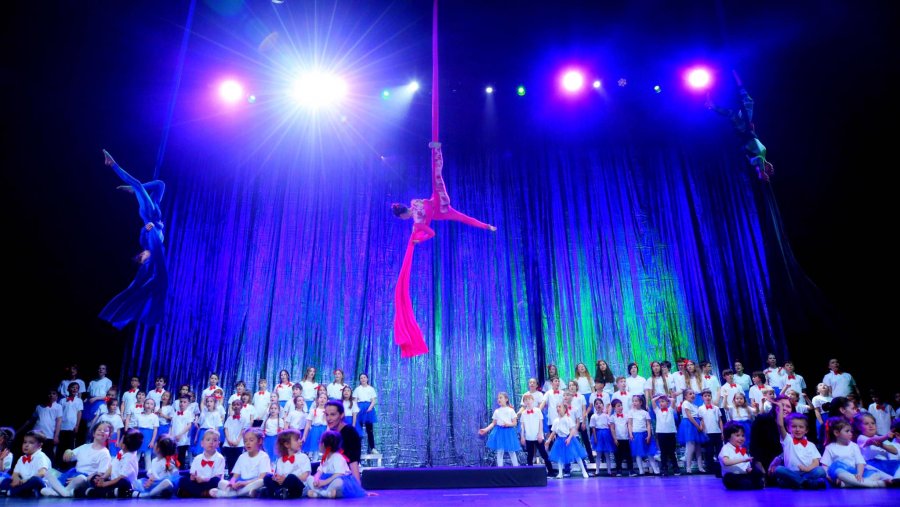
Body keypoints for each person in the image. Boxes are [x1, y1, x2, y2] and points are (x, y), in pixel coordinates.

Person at [392, 141, 497, 357]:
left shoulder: (416, 218)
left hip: (439, 205)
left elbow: (430, 231)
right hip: (441, 209)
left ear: (403, 214)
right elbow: (429, 229)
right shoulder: (415, 214)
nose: (405, 217)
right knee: (453, 203)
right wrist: (418, 239)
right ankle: (486, 225)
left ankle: (437, 150)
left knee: (438, 179)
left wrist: (419, 238)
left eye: (403, 216)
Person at [99, 149, 168, 329]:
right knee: (160, 184)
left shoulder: (149, 242)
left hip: (149, 214)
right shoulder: (156, 250)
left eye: (142, 257)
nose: (143, 256)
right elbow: (156, 237)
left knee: (137, 184)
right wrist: (155, 229)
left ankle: (112, 164)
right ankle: (133, 189)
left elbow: (146, 237)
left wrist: (148, 229)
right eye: (143, 257)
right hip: (156, 214)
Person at [705, 70, 774, 182]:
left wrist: (761, 172)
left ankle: (711, 106)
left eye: (768, 170)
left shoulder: (754, 162)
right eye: (771, 169)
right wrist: (754, 131)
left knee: (732, 113)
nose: (771, 168)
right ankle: (736, 78)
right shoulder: (764, 154)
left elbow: (758, 158)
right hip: (749, 130)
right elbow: (756, 142)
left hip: (743, 132)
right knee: (749, 102)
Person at [41, 422, 112, 497]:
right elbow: (70, 456)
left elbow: (100, 474)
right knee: (47, 475)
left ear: (109, 436)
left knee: (81, 478)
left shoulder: (105, 453)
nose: (102, 431)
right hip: (73, 474)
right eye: (99, 429)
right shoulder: (85, 446)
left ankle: (63, 492)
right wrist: (68, 451)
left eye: (105, 430)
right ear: (94, 433)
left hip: (85, 479)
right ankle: (65, 492)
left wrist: (78, 479)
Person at [822, 419, 893, 487]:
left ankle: (850, 484)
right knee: (838, 469)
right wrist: (829, 478)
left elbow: (860, 462)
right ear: (836, 433)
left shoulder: (854, 446)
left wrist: (859, 474)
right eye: (847, 431)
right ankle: (876, 484)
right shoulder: (830, 448)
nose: (850, 433)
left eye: (850, 431)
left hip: (855, 474)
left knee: (875, 474)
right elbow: (825, 466)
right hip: (842, 475)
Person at [773, 402, 827, 489]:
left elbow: (816, 462)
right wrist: (780, 408)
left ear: (806, 430)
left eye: (801, 427)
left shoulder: (811, 445)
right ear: (788, 428)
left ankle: (798, 483)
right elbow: (780, 425)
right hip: (792, 472)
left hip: (808, 472)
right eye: (794, 426)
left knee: (820, 471)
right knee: (778, 469)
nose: (797, 429)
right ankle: (806, 483)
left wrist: (807, 469)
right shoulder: (788, 440)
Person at [305, 431, 366, 498]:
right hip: (326, 482)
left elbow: (339, 474)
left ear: (323, 445)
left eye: (320, 442)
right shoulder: (325, 458)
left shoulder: (337, 457)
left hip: (335, 480)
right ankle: (325, 493)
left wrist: (324, 482)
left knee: (339, 482)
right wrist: (316, 480)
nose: (318, 444)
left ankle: (321, 493)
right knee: (309, 478)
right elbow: (319, 472)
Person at [210, 428, 268, 498]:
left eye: (251, 440)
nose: (248, 443)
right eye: (245, 441)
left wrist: (245, 483)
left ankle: (232, 494)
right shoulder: (242, 456)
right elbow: (235, 477)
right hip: (240, 485)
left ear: (260, 441)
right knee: (221, 482)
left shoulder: (263, 456)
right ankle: (244, 493)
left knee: (261, 481)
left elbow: (261, 477)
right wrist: (232, 484)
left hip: (253, 483)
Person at [85, 428, 142, 498]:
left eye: (121, 439)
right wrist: (103, 477)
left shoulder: (130, 458)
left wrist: (105, 484)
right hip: (112, 481)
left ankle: (103, 492)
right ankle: (110, 492)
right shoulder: (121, 452)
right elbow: (113, 465)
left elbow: (122, 477)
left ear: (123, 445)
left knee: (123, 482)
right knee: (95, 478)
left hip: (121, 483)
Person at [0, 431, 52, 497]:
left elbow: (42, 473)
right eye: (25, 442)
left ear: (39, 445)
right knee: (7, 480)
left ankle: (12, 491)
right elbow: (15, 473)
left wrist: (26, 480)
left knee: (35, 480)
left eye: (31, 443)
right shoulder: (21, 458)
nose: (26, 445)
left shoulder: (40, 456)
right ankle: (16, 491)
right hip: (24, 482)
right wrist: (16, 479)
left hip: (41, 485)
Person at [262, 429, 310, 499]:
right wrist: (276, 478)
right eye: (297, 440)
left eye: (300, 439)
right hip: (283, 485)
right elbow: (278, 475)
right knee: (267, 477)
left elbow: (305, 476)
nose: (300, 441)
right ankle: (279, 492)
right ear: (287, 444)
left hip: (298, 487)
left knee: (291, 477)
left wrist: (286, 479)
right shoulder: (280, 460)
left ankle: (276, 492)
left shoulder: (303, 457)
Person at [546, 403, 589, 479]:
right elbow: (553, 432)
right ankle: (560, 473)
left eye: (560, 407)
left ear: (565, 409)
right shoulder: (556, 420)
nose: (558, 408)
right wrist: (549, 440)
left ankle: (583, 471)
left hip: (569, 439)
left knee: (577, 455)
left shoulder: (568, 419)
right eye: (557, 407)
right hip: (559, 440)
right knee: (560, 456)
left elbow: (572, 430)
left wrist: (569, 438)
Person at [177, 429, 225, 498]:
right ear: (202, 443)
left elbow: (218, 477)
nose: (211, 442)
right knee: (183, 480)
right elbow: (192, 475)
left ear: (218, 444)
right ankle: (203, 493)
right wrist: (193, 477)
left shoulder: (220, 458)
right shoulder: (197, 458)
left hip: (210, 483)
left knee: (216, 481)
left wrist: (204, 479)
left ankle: (193, 493)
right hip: (198, 483)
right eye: (208, 440)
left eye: (214, 440)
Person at [718, 421, 765, 490]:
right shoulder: (726, 448)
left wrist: (749, 469)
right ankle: (751, 484)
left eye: (742, 435)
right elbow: (726, 462)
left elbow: (746, 465)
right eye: (737, 435)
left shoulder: (741, 449)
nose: (741, 438)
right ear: (728, 437)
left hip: (743, 475)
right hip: (732, 475)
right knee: (730, 478)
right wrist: (742, 460)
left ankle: (754, 483)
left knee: (757, 473)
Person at [323, 400, 362, 483]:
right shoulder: (330, 433)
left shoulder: (349, 432)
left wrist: (358, 487)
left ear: (341, 415)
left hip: (344, 476)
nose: (328, 418)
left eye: (332, 415)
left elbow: (353, 461)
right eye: (327, 415)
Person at [478, 392, 520, 467]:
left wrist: (508, 424)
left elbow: (515, 423)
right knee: (500, 451)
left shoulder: (511, 410)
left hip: (509, 432)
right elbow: (493, 423)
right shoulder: (497, 411)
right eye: (498, 398)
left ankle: (516, 468)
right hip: (499, 432)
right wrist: (485, 429)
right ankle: (500, 469)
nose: (499, 399)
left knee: (511, 451)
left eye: (501, 397)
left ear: (506, 399)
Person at [520, 393, 553, 475]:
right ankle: (530, 473)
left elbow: (540, 423)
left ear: (533, 400)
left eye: (529, 399)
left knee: (544, 454)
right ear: (524, 402)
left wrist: (540, 434)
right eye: (525, 400)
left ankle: (551, 471)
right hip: (528, 437)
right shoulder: (524, 413)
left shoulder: (537, 411)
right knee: (530, 455)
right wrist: (522, 437)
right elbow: (522, 426)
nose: (528, 401)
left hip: (538, 436)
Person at [353, 373, 379, 454]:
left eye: (364, 377)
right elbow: (354, 401)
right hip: (360, 409)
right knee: (359, 429)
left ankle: (372, 448)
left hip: (368, 409)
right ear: (359, 380)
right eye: (361, 378)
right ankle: (357, 448)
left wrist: (370, 408)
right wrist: (357, 409)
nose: (363, 379)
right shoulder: (357, 389)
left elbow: (373, 400)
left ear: (367, 379)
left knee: (370, 430)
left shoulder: (371, 389)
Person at [85, 365, 112, 431]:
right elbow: (89, 394)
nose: (101, 370)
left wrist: (97, 399)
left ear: (106, 371)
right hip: (90, 403)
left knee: (96, 424)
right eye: (99, 368)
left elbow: (109, 397)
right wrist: (87, 400)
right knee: (87, 424)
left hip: (100, 403)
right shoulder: (92, 381)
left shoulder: (108, 381)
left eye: (103, 369)